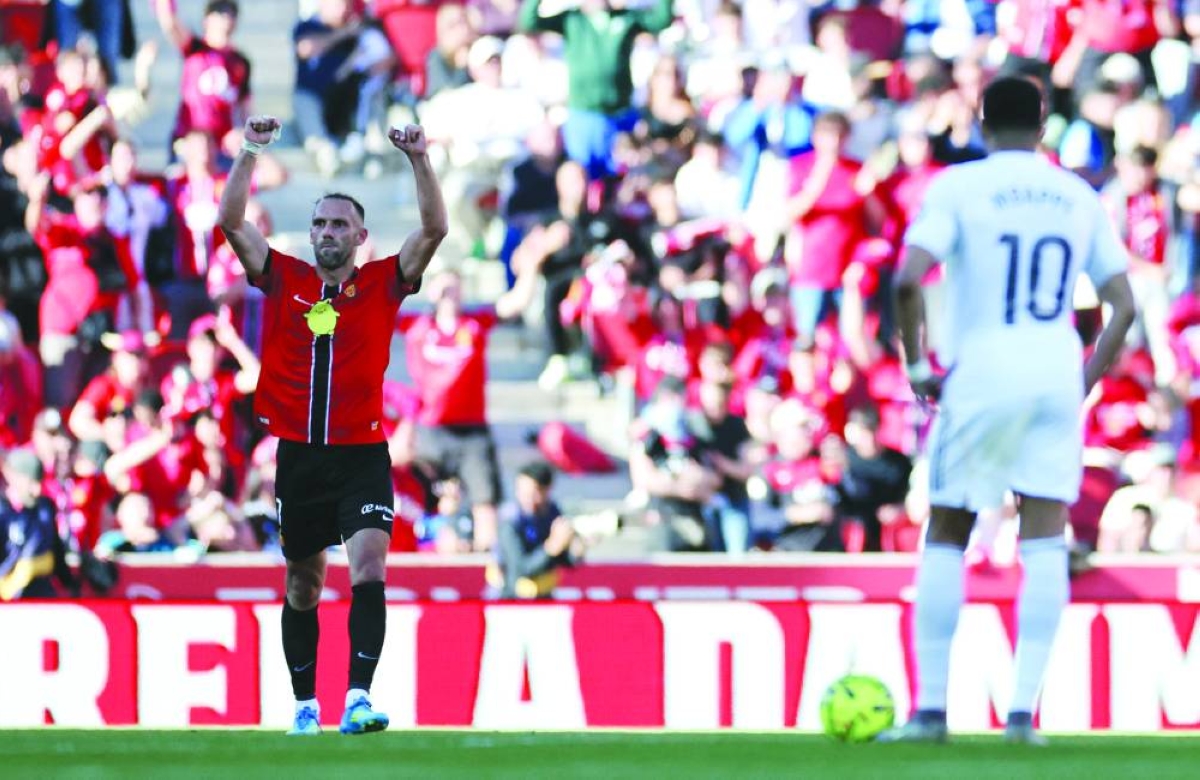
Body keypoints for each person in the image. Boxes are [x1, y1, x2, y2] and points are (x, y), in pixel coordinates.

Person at [879, 77, 1137, 745]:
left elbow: (909, 278)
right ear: (1044, 124)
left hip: (984, 370)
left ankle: (932, 711)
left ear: (982, 125)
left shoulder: (960, 187)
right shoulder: (1077, 194)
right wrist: (1080, 381)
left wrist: (916, 367)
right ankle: (1023, 715)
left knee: (948, 528)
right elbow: (1123, 306)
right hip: (1053, 369)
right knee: (1045, 535)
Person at [217, 115, 447, 736]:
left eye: (338, 223)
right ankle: (304, 706)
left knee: (370, 568)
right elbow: (232, 222)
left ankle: (357, 697)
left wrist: (420, 159)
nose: (326, 232)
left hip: (362, 454)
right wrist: (249, 151)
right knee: (302, 584)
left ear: (360, 236)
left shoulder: (383, 283)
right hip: (300, 456)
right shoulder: (284, 277)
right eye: (319, 222)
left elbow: (434, 228)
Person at [492, 460, 582, 598]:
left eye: (533, 492)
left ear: (547, 490)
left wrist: (576, 550)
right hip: (512, 599)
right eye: (521, 491)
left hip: (544, 596)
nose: (526, 497)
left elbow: (561, 560)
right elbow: (519, 569)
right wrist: (552, 546)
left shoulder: (552, 513)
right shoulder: (510, 521)